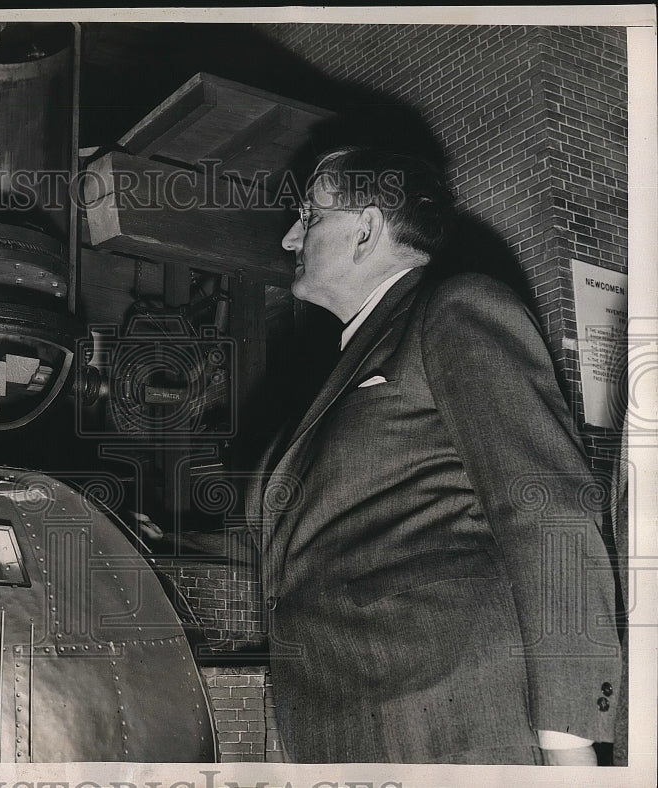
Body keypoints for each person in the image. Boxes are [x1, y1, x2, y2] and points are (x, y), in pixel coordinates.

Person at [248, 146, 622, 764]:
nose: (291, 238)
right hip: (356, 726)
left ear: (366, 230)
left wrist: (570, 742)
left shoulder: (456, 308)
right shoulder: (337, 372)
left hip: (462, 717)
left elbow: (549, 511)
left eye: (308, 216)